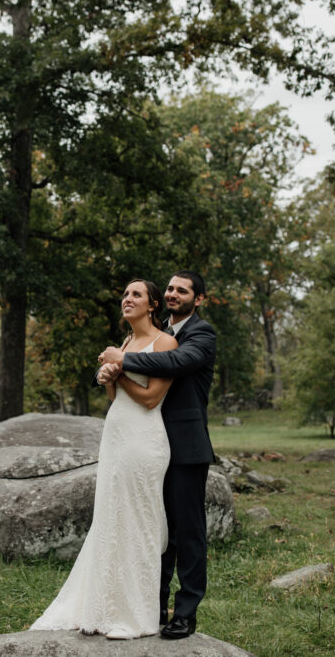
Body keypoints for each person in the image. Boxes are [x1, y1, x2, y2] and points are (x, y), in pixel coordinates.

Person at [30, 279, 178, 639]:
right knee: (112, 519)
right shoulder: (126, 342)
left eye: (136, 295)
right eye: (125, 295)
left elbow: (150, 398)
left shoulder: (165, 342)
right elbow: (116, 397)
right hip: (115, 435)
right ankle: (105, 606)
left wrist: (121, 369)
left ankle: (139, 618)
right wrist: (108, 375)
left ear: (153, 305)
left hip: (144, 440)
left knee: (139, 520)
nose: (127, 300)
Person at [97, 269, 216, 640]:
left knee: (188, 532)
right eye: (169, 288)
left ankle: (186, 611)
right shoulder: (152, 332)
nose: (172, 294)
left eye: (182, 290)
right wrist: (113, 367)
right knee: (156, 529)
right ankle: (153, 604)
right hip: (145, 444)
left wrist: (122, 361)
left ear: (198, 299)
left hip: (185, 446)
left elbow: (176, 364)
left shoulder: (201, 334)